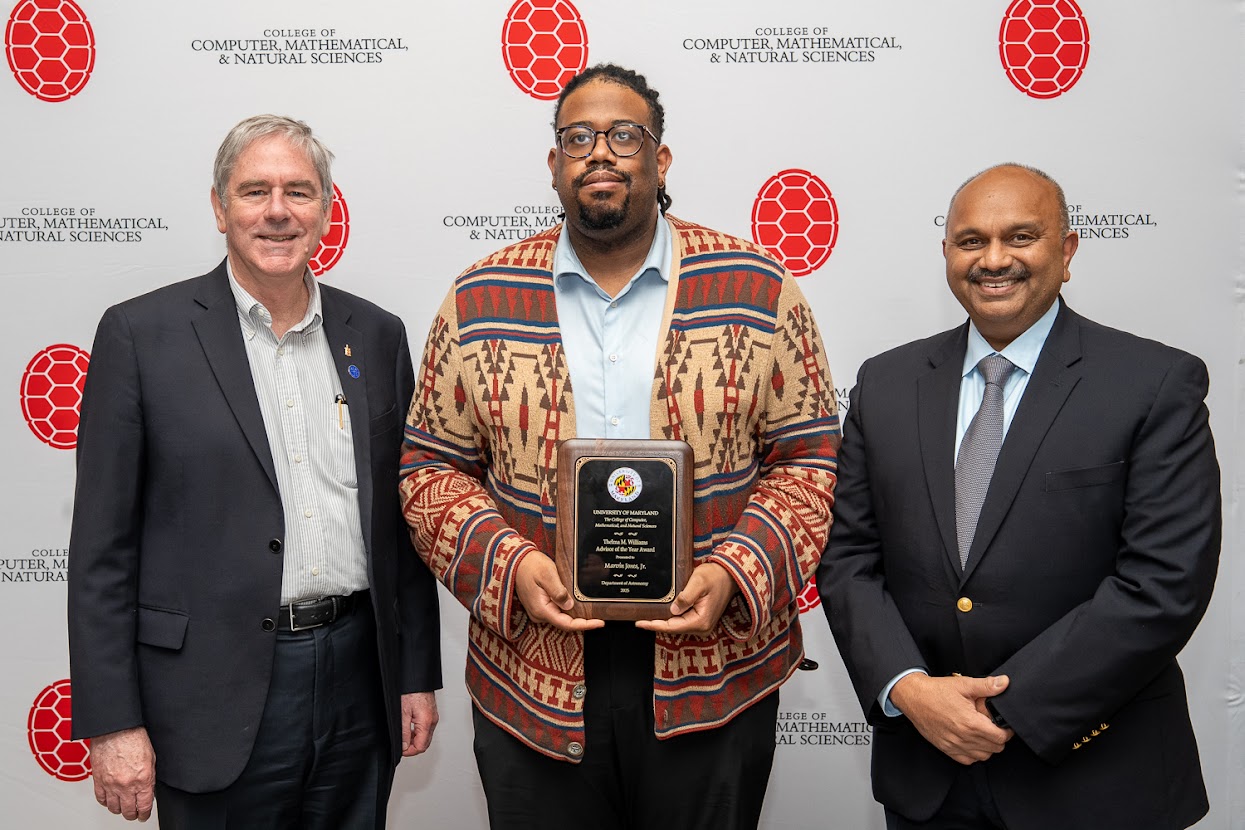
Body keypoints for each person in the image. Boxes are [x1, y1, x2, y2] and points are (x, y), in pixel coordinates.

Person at [399, 64, 839, 830]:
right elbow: (428, 466)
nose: (599, 152)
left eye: (623, 135)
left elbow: (809, 459)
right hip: (533, 673)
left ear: (659, 159)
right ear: (554, 164)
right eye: (577, 137)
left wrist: (737, 570)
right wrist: (512, 565)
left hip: (713, 673)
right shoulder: (481, 295)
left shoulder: (756, 284)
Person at [818, 163, 1220, 829]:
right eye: (971, 241)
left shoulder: (1152, 383)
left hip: (1096, 779)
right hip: (928, 780)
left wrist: (998, 711)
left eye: (1021, 237)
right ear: (945, 253)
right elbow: (848, 560)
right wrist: (909, 690)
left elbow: (1163, 582)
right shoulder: (885, 383)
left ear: (1065, 253)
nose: (993, 260)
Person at [67, 114, 442, 828]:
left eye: (298, 192)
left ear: (327, 209)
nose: (277, 211)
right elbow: (100, 553)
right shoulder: (141, 336)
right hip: (212, 694)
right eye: (254, 191)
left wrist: (414, 675)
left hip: (359, 679)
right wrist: (112, 723)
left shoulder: (378, 334)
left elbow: (402, 523)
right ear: (219, 207)